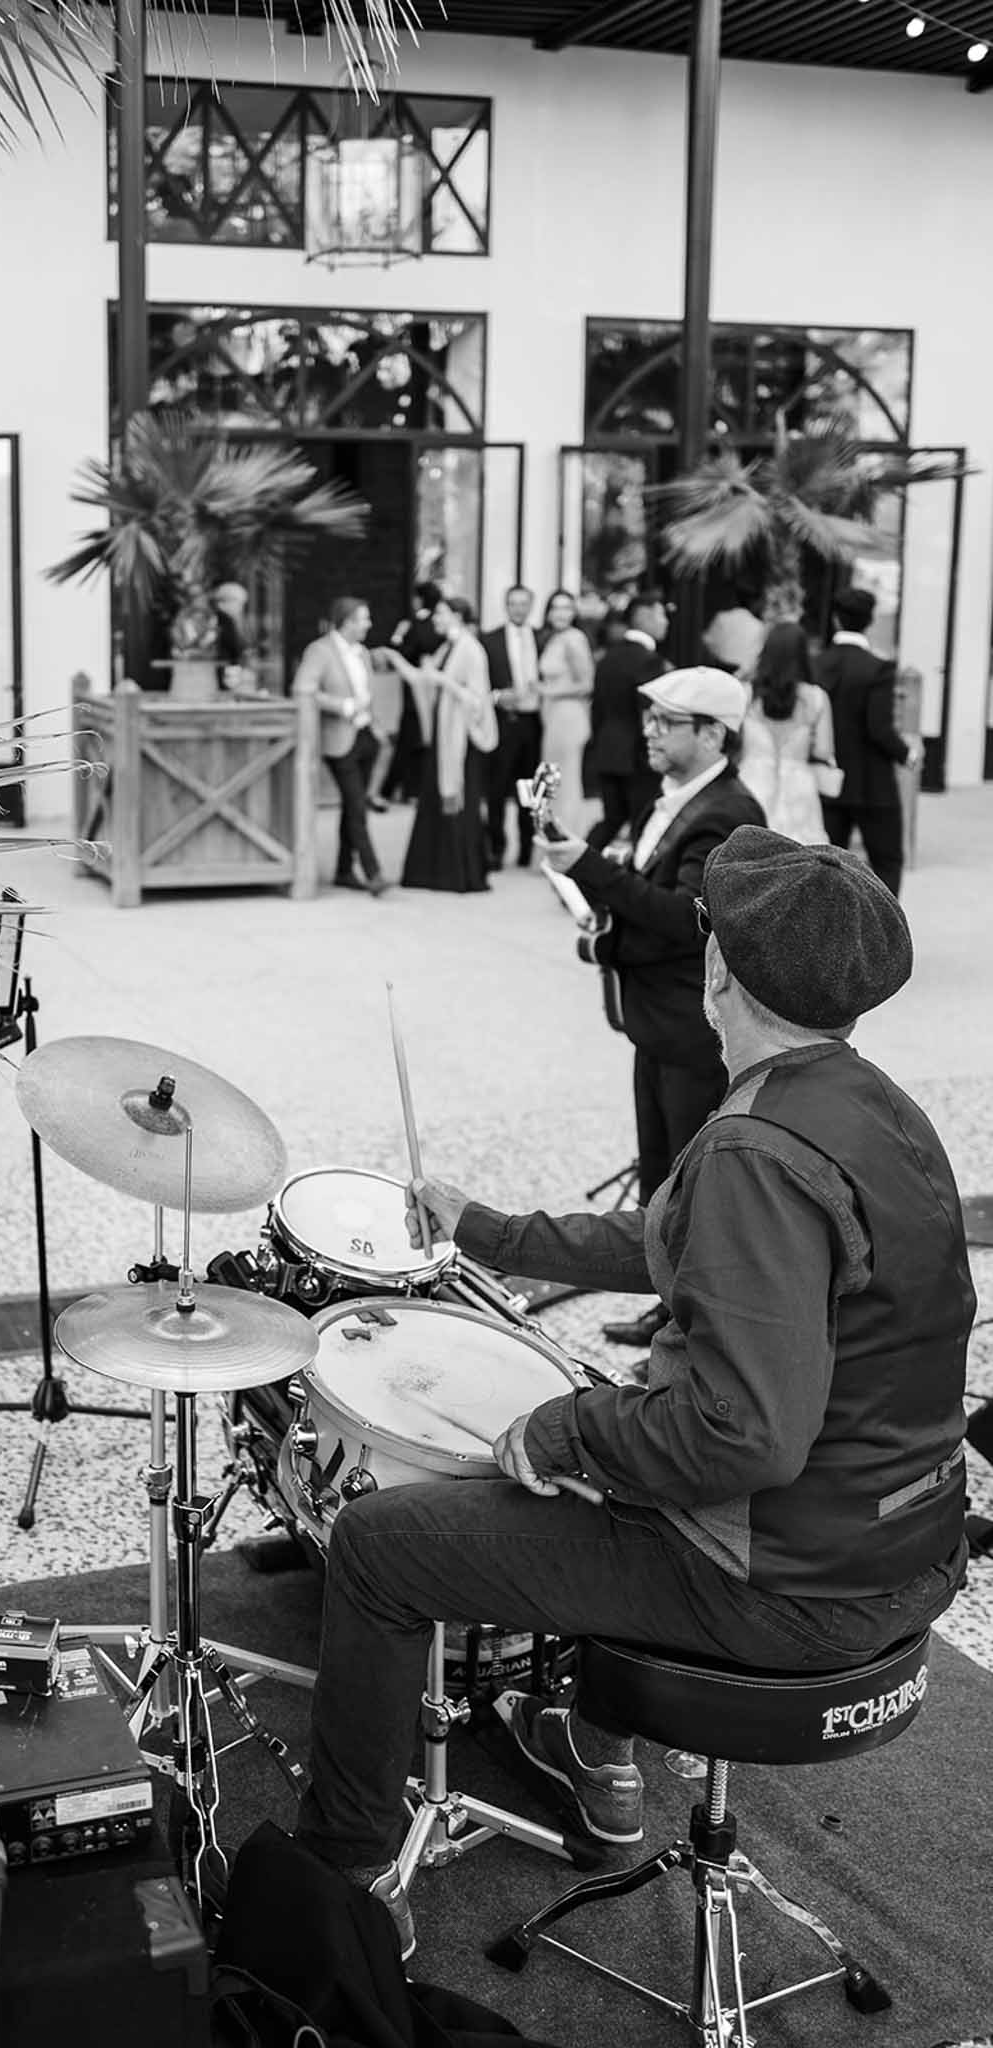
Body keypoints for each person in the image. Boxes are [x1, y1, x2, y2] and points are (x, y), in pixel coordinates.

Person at [295, 829, 971, 1951]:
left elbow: (741, 1432)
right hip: (900, 1545)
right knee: (615, 1442)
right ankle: (595, 1748)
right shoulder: (868, 1105)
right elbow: (689, 1240)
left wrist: (567, 1428)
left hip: (789, 1583)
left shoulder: (756, 1148)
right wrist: (491, 1229)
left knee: (377, 1543)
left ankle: (344, 1872)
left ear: (714, 970)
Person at [542, 667, 765, 1358]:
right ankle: (665, 1300)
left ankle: (689, 1319)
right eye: (649, 718)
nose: (648, 731)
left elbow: (684, 919)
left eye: (665, 722)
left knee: (690, 1176)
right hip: (652, 1019)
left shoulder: (730, 811)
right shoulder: (667, 799)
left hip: (690, 1025)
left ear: (712, 733)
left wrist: (587, 868)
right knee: (658, 1168)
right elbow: (643, 890)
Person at [388, 595, 498, 895]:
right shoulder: (448, 647)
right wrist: (392, 656)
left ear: (458, 616)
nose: (435, 618)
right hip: (444, 734)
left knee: (461, 802)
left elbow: (477, 699)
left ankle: (461, 874)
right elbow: (421, 679)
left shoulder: (471, 650)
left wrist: (443, 681)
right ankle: (434, 873)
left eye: (441, 613)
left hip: (460, 739)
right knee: (437, 800)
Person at [816, 587, 921, 896]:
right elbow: (880, 729)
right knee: (886, 862)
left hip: (827, 783)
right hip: (872, 784)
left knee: (824, 868)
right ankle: (885, 937)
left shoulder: (817, 664)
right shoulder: (878, 668)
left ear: (836, 620)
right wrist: (908, 754)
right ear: (869, 621)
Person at [293, 597, 389, 896]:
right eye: (364, 619)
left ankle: (344, 870)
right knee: (357, 804)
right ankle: (374, 872)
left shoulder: (361, 653)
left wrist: (375, 726)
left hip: (364, 736)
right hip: (338, 739)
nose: (369, 624)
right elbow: (303, 689)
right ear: (347, 622)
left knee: (352, 806)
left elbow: (368, 692)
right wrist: (343, 706)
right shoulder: (320, 651)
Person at [738, 621, 838, 843]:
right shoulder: (815, 698)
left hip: (752, 781)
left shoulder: (746, 694)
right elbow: (824, 749)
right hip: (799, 787)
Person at [585, 590, 669, 853]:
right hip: (637, 758)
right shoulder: (649, 661)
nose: (666, 621)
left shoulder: (607, 658)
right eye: (662, 614)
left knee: (612, 820)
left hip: (607, 752)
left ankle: (574, 870)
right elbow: (648, 715)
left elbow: (597, 710)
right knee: (641, 825)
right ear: (644, 617)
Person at [479, 584, 543, 870]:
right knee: (497, 788)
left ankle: (526, 849)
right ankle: (496, 847)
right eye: (513, 603)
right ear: (506, 606)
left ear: (530, 606)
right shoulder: (489, 640)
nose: (518, 608)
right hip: (504, 722)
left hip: (533, 722)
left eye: (523, 603)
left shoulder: (543, 638)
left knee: (529, 791)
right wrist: (496, 697)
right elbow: (480, 685)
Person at [534, 589, 595, 832]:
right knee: (552, 781)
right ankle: (552, 840)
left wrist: (547, 691)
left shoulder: (574, 639)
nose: (560, 613)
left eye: (566, 607)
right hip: (554, 716)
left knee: (562, 782)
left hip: (567, 716)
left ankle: (564, 840)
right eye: (555, 607)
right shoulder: (554, 638)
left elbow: (586, 684)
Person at [380, 581, 443, 803]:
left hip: (415, 690)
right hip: (435, 691)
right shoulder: (440, 624)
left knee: (407, 742)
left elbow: (402, 653)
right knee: (423, 741)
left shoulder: (414, 625)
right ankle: (412, 791)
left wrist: (397, 636)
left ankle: (388, 790)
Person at [702, 586, 766, 678]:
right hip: (742, 677)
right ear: (755, 602)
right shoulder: (758, 626)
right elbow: (757, 658)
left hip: (719, 674)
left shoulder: (721, 618)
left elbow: (707, 643)